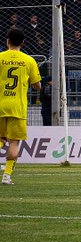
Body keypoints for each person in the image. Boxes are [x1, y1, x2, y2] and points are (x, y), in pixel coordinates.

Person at [0, 27, 42, 186]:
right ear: (23, 43)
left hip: (0, 104)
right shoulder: (29, 60)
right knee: (14, 142)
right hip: (17, 107)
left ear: (7, 41)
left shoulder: (0, 57)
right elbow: (37, 85)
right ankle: (6, 176)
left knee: (0, 138)